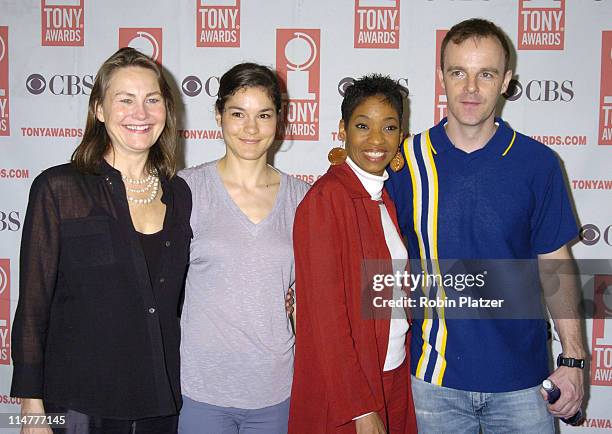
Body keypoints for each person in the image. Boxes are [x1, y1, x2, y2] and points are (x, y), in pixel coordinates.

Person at [386, 18, 585, 433]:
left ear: (506, 80)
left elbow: (555, 264)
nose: (471, 88)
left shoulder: (539, 165)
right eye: (458, 72)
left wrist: (573, 359)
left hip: (524, 387)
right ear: (441, 76)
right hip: (433, 385)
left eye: (486, 74)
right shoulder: (405, 163)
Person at [11, 47, 191, 434]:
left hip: (158, 402)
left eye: (152, 100)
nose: (140, 113)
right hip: (78, 404)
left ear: (166, 109)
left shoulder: (179, 194)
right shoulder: (59, 188)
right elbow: (32, 307)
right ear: (100, 109)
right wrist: (30, 408)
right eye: (124, 100)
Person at [177, 63, 310, 434]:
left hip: (276, 391)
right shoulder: (186, 191)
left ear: (279, 121)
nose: (251, 128)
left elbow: (317, 292)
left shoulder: (303, 200)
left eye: (263, 115)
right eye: (238, 114)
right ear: (219, 116)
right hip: (201, 391)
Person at [288, 74, 417, 434]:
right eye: (363, 126)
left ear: (401, 135)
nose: (377, 140)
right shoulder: (326, 200)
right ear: (343, 129)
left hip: (392, 372)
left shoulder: (384, 199)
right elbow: (325, 319)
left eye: (389, 127)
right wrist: (359, 408)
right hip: (352, 393)